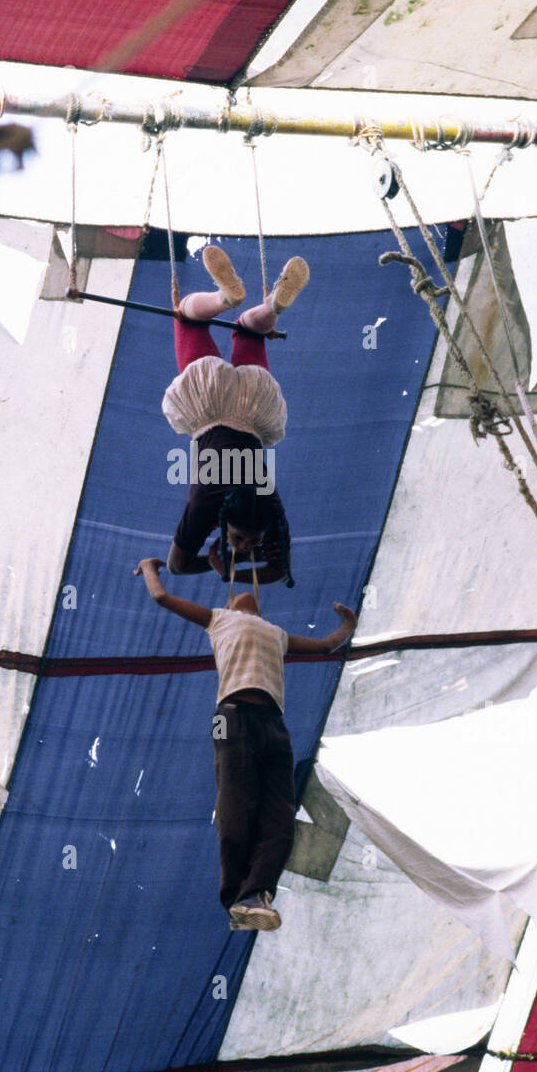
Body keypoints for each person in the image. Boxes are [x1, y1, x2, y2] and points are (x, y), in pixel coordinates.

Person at [134, 556, 357, 930]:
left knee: (280, 816)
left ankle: (256, 895)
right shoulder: (218, 620)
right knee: (235, 802)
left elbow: (323, 646)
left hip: (273, 724)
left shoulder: (276, 633)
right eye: (236, 596)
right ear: (228, 602)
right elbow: (162, 598)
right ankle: (236, 894)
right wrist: (150, 567)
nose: (246, 598)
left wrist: (348, 625)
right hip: (228, 719)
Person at [163, 245, 308, 589]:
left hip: (254, 405)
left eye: (247, 541)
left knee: (249, 332)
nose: (245, 546)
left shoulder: (268, 504)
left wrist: (234, 568)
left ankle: (268, 306)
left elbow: (278, 569)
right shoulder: (205, 505)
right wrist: (225, 569)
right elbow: (177, 566)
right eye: (246, 539)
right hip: (212, 405)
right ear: (226, 518)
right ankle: (227, 298)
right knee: (187, 319)